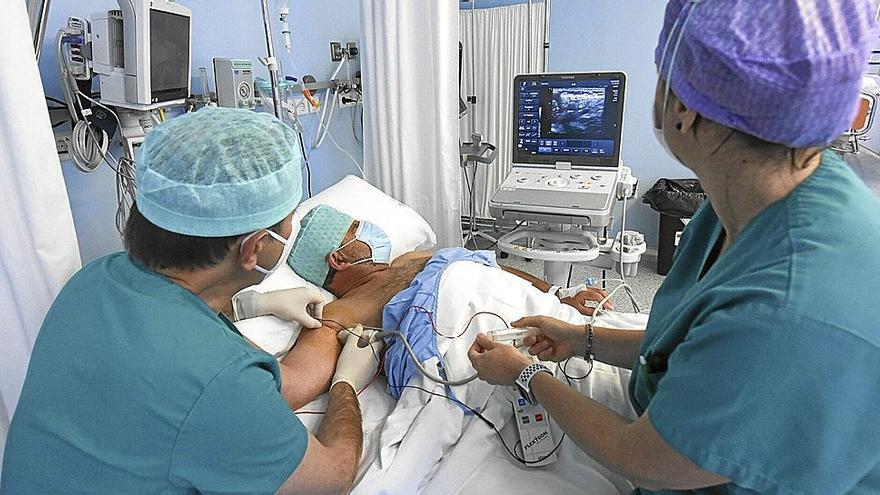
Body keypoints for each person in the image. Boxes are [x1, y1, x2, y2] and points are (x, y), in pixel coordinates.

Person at [468, 1, 880, 494]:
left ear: (682, 108)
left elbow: (645, 459)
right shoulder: (753, 194)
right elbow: (693, 343)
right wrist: (582, 337)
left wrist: (529, 374)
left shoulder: (785, 311)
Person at [1, 108, 379, 494]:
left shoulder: (94, 280)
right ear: (254, 248)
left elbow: (286, 384)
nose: (291, 230)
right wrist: (347, 383)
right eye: (289, 221)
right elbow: (328, 481)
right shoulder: (216, 376)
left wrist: (260, 307)